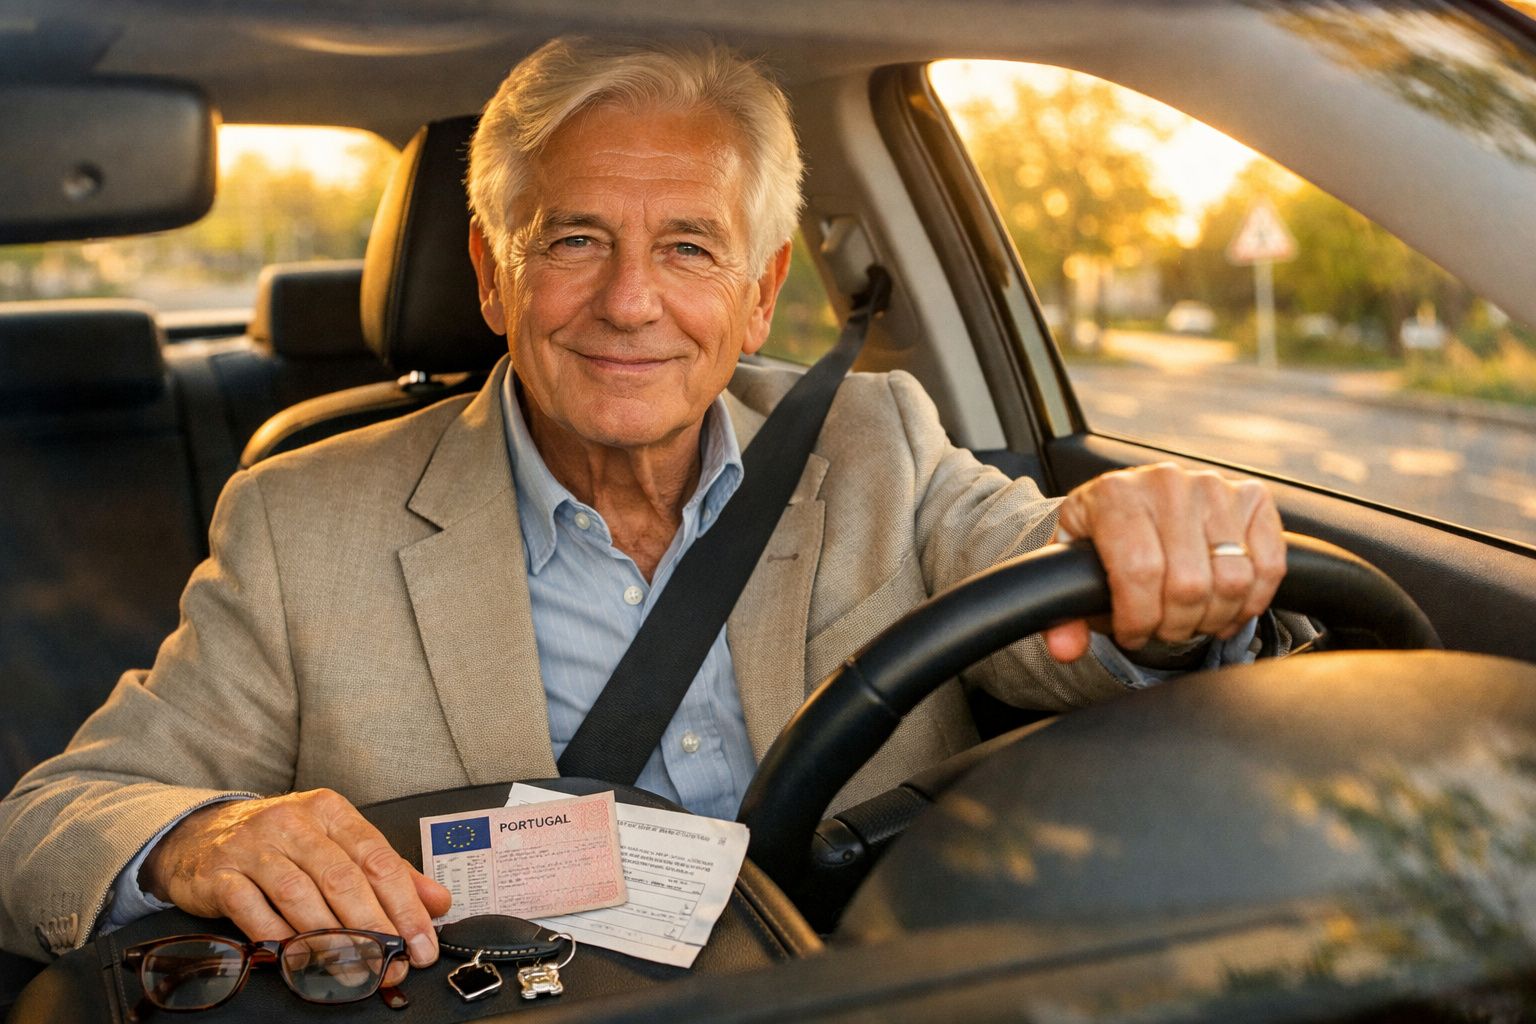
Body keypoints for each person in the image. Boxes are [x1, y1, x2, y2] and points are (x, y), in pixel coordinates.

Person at [0, 37, 1294, 976]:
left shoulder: (877, 435)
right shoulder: (301, 521)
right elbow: (53, 817)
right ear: (493, 276)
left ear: (760, 287)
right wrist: (204, 834)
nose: (629, 302)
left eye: (688, 247)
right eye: (573, 240)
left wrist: (1155, 566)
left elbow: (1042, 596)